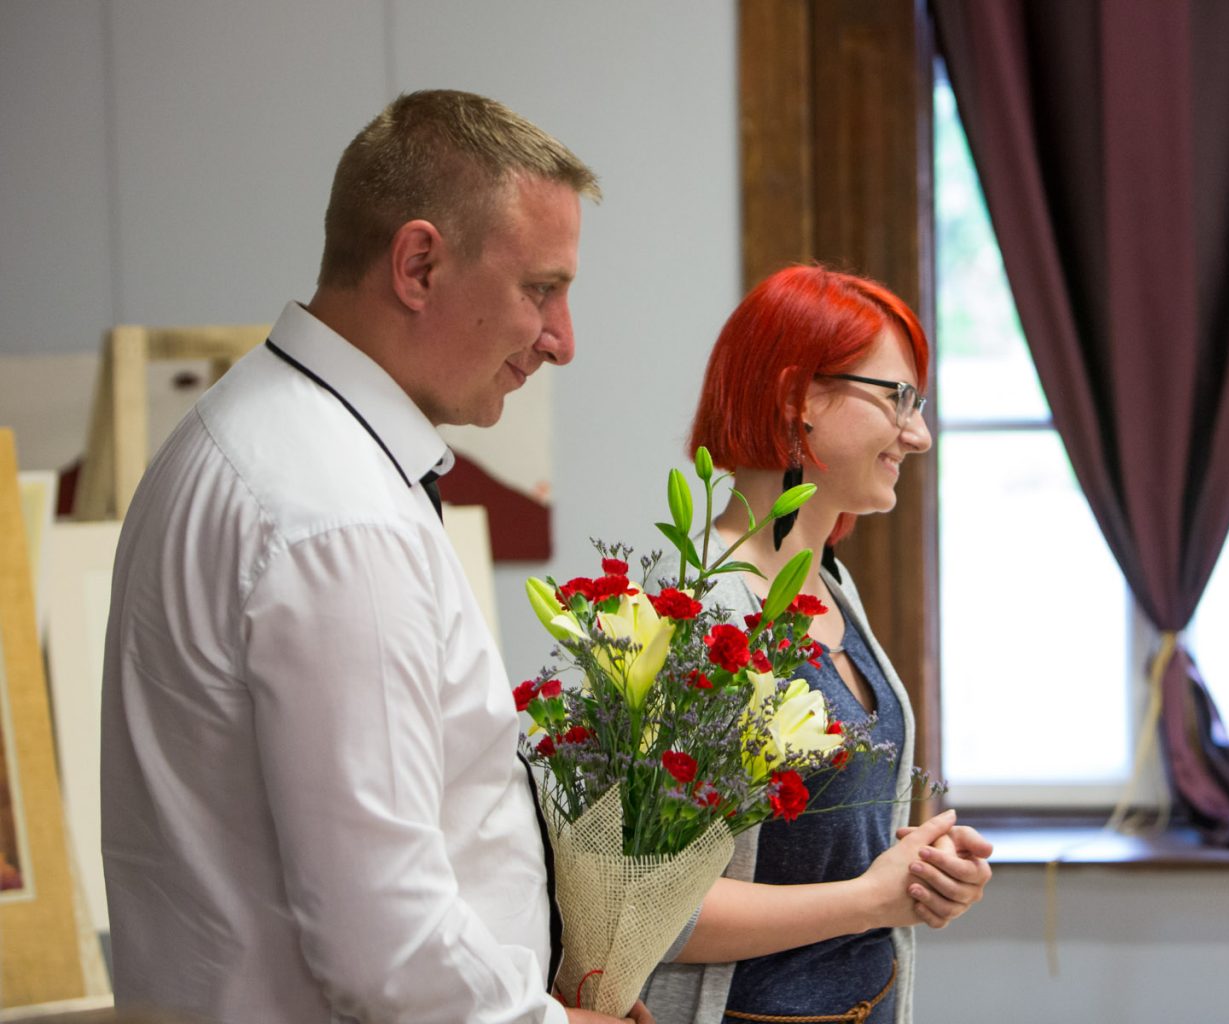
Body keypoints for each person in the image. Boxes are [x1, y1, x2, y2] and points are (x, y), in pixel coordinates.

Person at [100, 89, 648, 1024]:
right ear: (418, 265)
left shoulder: (246, 435)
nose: (561, 340)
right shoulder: (336, 514)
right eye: (540, 290)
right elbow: (384, 942)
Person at [642, 266, 993, 1024]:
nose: (919, 434)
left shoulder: (831, 584)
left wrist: (919, 876)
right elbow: (655, 909)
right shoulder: (703, 614)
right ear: (798, 397)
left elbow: (815, 849)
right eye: (898, 398)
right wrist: (871, 897)